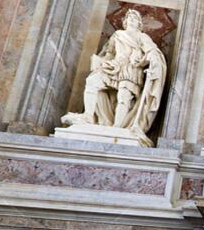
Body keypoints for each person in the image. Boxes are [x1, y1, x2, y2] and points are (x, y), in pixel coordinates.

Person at [61, 8, 167, 146]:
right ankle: (88, 116)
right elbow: (110, 52)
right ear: (125, 21)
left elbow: (152, 51)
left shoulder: (142, 37)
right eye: (129, 18)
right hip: (114, 66)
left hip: (131, 69)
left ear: (139, 23)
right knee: (92, 81)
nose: (131, 20)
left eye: (135, 18)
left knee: (124, 97)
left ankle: (117, 128)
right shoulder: (117, 35)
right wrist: (101, 62)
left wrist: (150, 61)